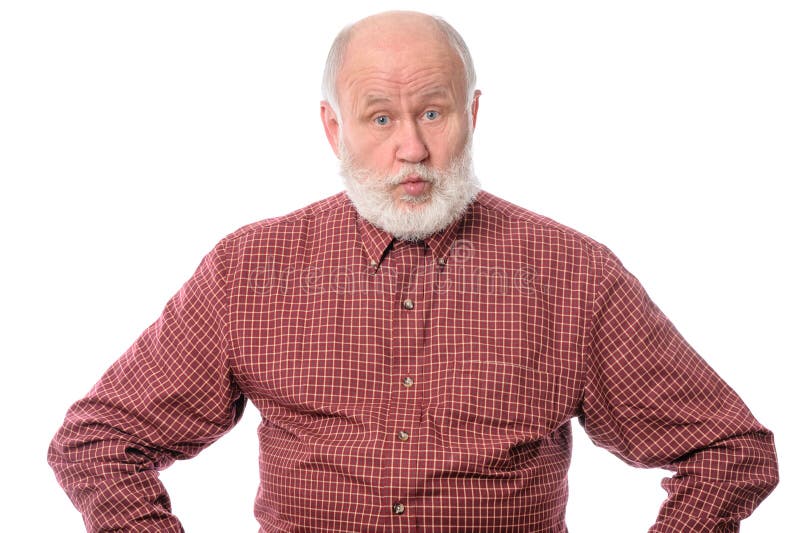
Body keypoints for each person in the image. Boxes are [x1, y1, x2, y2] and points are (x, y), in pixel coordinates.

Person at [49, 10, 778, 532]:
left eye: (432, 113)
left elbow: (729, 449)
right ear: (333, 127)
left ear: (472, 113)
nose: (411, 149)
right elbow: (97, 440)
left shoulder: (572, 273)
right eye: (379, 118)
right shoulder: (249, 269)